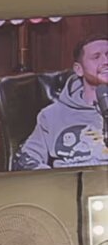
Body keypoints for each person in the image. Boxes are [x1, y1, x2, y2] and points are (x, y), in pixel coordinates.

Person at [12, 34, 108, 170]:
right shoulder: (52, 115)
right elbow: (27, 160)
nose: (105, 61)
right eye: (96, 57)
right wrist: (56, 180)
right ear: (79, 69)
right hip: (68, 182)